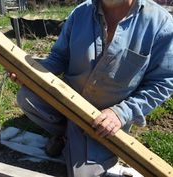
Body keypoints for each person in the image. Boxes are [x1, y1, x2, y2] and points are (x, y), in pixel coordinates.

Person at [10, 0, 173, 176]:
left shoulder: (160, 23)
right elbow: (59, 57)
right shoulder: (81, 13)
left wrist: (121, 113)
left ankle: (78, 141)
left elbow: (162, 82)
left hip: (105, 121)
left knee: (84, 174)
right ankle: (68, 134)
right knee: (27, 96)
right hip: (68, 104)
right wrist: (32, 73)